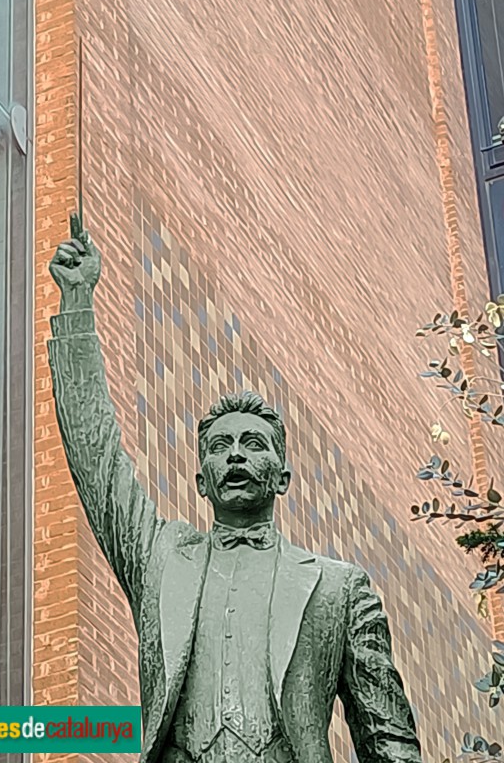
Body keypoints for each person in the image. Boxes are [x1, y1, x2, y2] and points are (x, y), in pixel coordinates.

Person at [47, 213, 423, 763]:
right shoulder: (159, 559)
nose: (237, 454)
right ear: (201, 480)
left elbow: (388, 740)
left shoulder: (339, 591)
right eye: (221, 447)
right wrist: (78, 306)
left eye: (254, 444)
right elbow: (96, 458)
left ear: (283, 475)